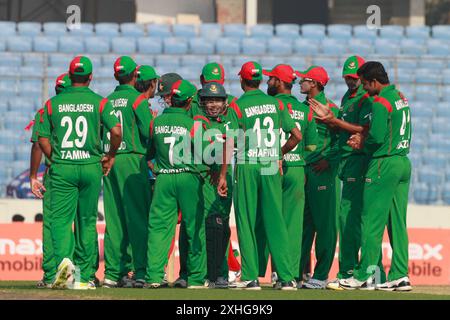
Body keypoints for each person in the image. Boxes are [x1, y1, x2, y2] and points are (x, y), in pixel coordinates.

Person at [38, 55, 122, 290]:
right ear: (91, 77)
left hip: (63, 166)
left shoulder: (52, 104)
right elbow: (116, 131)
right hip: (90, 166)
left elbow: (42, 137)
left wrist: (55, 158)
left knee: (61, 221)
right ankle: (85, 276)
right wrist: (111, 155)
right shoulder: (100, 102)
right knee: (86, 221)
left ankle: (66, 270)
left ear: (70, 74)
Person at [217, 61, 301, 290]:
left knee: (246, 221)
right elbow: (297, 136)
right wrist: (279, 154)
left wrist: (223, 175)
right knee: (275, 221)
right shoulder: (275, 104)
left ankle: (251, 277)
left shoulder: (236, 106)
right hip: (270, 166)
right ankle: (286, 278)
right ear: (260, 81)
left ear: (243, 81)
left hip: (248, 165)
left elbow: (230, 142)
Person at [308, 56, 386, 290]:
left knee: (352, 218)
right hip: (347, 161)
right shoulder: (347, 97)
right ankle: (370, 273)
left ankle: (353, 272)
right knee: (354, 218)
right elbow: (344, 128)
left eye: (354, 78)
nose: (351, 82)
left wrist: (334, 121)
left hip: (359, 161)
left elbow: (365, 130)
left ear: (363, 78)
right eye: (347, 78)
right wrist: (329, 120)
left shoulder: (366, 98)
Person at [339, 61, 412, 291]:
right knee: (397, 223)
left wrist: (361, 143)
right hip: (403, 161)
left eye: (365, 83)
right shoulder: (400, 97)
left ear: (374, 81)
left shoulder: (381, 102)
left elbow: (376, 137)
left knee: (370, 222)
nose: (364, 88)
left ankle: (364, 275)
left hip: (383, 163)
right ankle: (400, 275)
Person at [145, 80, 207, 289]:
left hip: (164, 178)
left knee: (159, 228)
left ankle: (154, 276)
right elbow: (204, 155)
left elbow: (149, 155)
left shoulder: (157, 122)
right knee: (194, 227)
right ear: (189, 101)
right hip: (188, 177)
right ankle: (196, 278)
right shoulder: (194, 124)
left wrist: (158, 169)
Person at [102, 57, 156, 289]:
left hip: (110, 159)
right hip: (134, 159)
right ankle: (140, 271)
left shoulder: (106, 101)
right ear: (136, 75)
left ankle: (113, 273)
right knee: (137, 217)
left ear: (116, 76)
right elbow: (149, 132)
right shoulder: (137, 99)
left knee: (114, 219)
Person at [263, 64, 318, 288]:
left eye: (271, 79)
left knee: (269, 221)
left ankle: (274, 273)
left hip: (270, 165)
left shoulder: (270, 105)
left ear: (279, 82)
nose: (267, 82)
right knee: (293, 226)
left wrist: (278, 153)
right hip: (297, 169)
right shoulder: (305, 110)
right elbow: (312, 146)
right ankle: (292, 276)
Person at [297, 66, 340, 289]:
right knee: (302, 225)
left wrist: (329, 161)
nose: (299, 83)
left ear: (314, 83)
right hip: (303, 171)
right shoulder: (300, 108)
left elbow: (342, 140)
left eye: (304, 80)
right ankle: (296, 273)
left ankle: (321, 275)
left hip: (322, 172)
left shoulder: (331, 108)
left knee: (325, 226)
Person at [28, 72, 71, 288]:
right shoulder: (90, 106)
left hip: (57, 172)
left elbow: (37, 144)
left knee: (53, 224)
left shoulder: (46, 110)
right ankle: (88, 273)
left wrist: (33, 176)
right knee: (84, 222)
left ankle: (52, 275)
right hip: (84, 167)